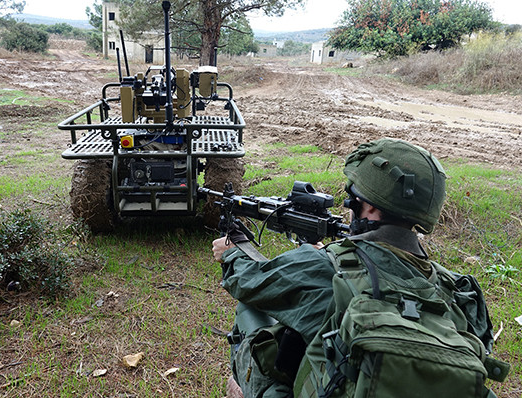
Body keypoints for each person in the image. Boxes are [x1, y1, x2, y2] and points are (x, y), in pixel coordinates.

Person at [212, 138, 499, 398]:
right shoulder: (461, 289)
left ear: (370, 209)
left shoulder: (323, 267)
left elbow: (248, 281)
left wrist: (233, 253)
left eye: (352, 198)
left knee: (250, 312)